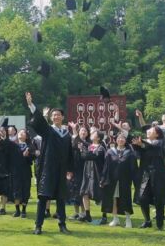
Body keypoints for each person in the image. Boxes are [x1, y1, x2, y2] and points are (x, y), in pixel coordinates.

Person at [25, 92, 74, 235]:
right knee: (43, 197)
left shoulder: (66, 135)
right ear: (51, 118)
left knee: (61, 198)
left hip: (61, 170)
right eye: (54, 115)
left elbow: (70, 153)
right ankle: (38, 225)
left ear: (62, 117)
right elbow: (39, 120)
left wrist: (70, 170)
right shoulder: (48, 131)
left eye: (58, 114)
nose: (56, 116)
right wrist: (31, 105)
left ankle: (62, 224)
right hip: (48, 169)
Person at [137, 109, 165, 214]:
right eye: (164, 114)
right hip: (157, 162)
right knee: (158, 184)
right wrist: (140, 116)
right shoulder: (156, 129)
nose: (164, 116)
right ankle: (159, 204)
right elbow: (145, 128)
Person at [132, 125, 165, 230]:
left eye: (151, 131)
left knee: (158, 199)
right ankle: (147, 220)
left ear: (157, 134)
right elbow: (133, 143)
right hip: (145, 174)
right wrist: (123, 131)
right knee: (142, 197)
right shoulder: (144, 143)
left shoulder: (160, 143)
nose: (148, 132)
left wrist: (141, 144)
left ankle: (160, 224)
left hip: (157, 175)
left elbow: (150, 147)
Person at [101, 133, 137, 228]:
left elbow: (133, 168)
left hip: (125, 180)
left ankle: (128, 219)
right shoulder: (110, 152)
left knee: (126, 199)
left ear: (125, 141)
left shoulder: (130, 153)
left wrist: (135, 181)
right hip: (112, 180)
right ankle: (115, 218)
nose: (121, 140)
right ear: (116, 140)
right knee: (114, 199)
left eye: (123, 138)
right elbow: (106, 167)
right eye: (119, 138)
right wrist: (103, 179)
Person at [78, 126, 107, 224]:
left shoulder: (101, 148)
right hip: (87, 173)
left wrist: (82, 150)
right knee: (84, 193)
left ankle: (104, 216)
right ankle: (87, 214)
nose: (91, 134)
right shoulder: (89, 146)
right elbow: (83, 157)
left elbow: (92, 156)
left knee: (101, 195)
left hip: (97, 174)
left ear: (98, 138)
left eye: (94, 133)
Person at [12, 129, 36, 218]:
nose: (21, 134)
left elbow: (32, 159)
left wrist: (27, 156)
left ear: (26, 136)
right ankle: (17, 210)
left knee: (25, 190)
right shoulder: (13, 145)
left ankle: (23, 210)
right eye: (20, 132)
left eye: (23, 133)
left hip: (26, 171)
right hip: (15, 171)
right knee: (16, 190)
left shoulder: (30, 146)